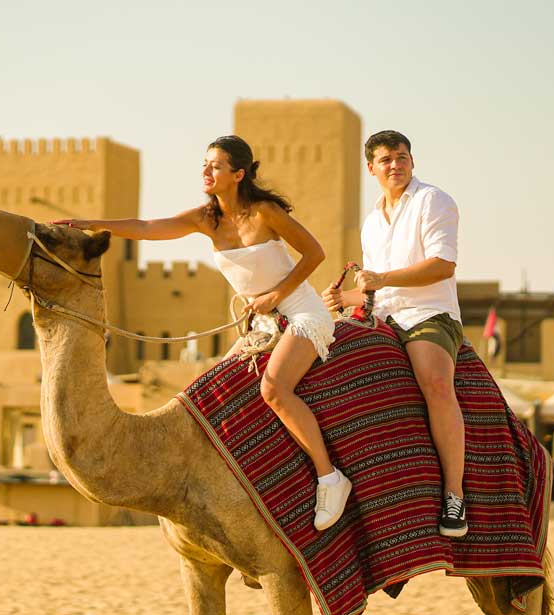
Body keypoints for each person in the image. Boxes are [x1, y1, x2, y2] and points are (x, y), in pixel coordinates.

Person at [54, 135, 353, 531]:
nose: (205, 171)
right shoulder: (205, 218)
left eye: (215, 165)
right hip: (261, 324)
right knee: (216, 397)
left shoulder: (265, 212)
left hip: (302, 314)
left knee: (274, 389)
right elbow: (146, 227)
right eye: (205, 164)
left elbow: (315, 252)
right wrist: (92, 223)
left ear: (238, 174)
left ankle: (330, 478)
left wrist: (276, 294)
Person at [322, 130, 468, 537]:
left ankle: (455, 496)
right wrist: (341, 297)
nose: (395, 165)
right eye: (386, 159)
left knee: (436, 384)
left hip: (428, 315)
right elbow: (374, 289)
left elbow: (442, 266)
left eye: (402, 157)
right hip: (382, 318)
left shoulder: (433, 201)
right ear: (372, 168)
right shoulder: (371, 224)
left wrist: (380, 278)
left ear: (412, 162)